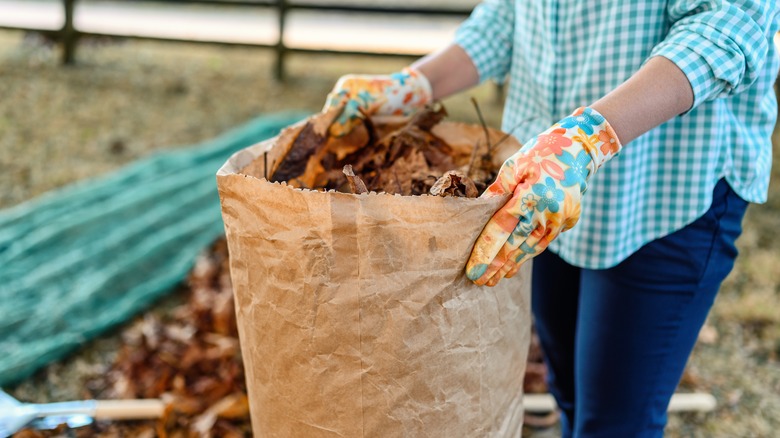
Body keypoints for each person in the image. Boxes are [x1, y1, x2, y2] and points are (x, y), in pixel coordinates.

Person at [323, 1, 780, 436]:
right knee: (571, 396)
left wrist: (592, 136)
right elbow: (510, 16)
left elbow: (730, 24)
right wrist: (414, 84)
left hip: (664, 189)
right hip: (542, 188)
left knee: (617, 423)